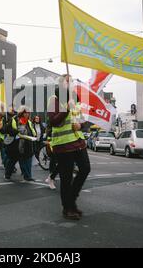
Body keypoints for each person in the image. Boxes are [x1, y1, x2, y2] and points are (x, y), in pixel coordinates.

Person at [48, 74, 90, 220]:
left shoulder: (76, 98)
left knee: (85, 168)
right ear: (61, 84)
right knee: (66, 178)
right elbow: (53, 121)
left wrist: (81, 124)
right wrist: (66, 108)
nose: (70, 83)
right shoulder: (54, 99)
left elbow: (82, 119)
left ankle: (71, 200)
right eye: (67, 81)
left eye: (71, 81)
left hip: (78, 141)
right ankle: (68, 208)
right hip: (63, 144)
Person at [4, 106, 37, 182]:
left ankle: (28, 176)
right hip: (15, 145)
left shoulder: (28, 121)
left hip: (26, 144)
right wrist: (16, 132)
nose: (27, 114)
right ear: (22, 113)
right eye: (26, 113)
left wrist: (34, 136)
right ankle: (7, 175)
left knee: (27, 161)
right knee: (12, 161)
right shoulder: (14, 119)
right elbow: (8, 129)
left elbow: (32, 131)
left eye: (28, 113)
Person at [44, 125, 58, 190]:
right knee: (54, 162)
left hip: (62, 145)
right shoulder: (52, 127)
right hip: (54, 147)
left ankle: (51, 178)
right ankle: (51, 178)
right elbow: (49, 137)